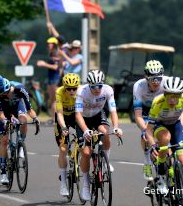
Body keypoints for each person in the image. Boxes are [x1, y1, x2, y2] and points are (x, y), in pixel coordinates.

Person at [146, 76, 183, 198]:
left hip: (175, 125)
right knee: (165, 138)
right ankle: (161, 175)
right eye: (169, 95)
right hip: (159, 126)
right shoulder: (158, 102)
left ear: (181, 95)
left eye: (176, 95)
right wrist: (153, 145)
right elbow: (148, 129)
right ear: (164, 93)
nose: (172, 99)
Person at [75, 69, 123, 201]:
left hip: (97, 115)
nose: (97, 89)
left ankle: (106, 160)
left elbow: (113, 111)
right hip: (83, 119)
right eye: (94, 86)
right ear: (89, 85)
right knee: (86, 152)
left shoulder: (108, 90)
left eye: (99, 86)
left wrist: (117, 127)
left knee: (105, 132)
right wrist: (85, 130)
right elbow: (78, 114)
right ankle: (85, 183)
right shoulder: (81, 92)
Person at [0, 78, 39, 184]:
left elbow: (29, 109)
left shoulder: (20, 89)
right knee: (4, 140)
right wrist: (5, 121)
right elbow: (0, 114)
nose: (5, 95)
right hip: (5, 112)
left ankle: (20, 144)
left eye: (6, 93)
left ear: (9, 88)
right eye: (2, 94)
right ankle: (3, 173)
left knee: (23, 121)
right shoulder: (0, 94)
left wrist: (35, 119)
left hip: (18, 106)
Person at [133, 60, 166, 181]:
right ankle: (147, 162)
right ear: (146, 78)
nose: (156, 82)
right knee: (145, 136)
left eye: (158, 78)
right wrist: (145, 130)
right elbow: (138, 116)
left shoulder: (167, 83)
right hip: (146, 112)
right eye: (152, 79)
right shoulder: (139, 86)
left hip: (162, 111)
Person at [54, 73, 80, 196]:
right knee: (63, 149)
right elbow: (59, 113)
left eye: (74, 88)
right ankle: (63, 183)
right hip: (62, 118)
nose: (71, 91)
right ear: (64, 87)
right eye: (68, 88)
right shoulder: (59, 92)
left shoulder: (81, 92)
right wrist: (64, 127)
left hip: (76, 117)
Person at [37, 37, 63, 124]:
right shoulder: (52, 53)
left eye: (51, 43)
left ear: (55, 44)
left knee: (55, 100)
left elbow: (55, 67)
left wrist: (43, 64)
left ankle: (56, 119)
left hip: (55, 78)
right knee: (52, 100)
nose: (49, 45)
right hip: (51, 77)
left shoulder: (57, 53)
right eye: (48, 43)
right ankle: (54, 118)